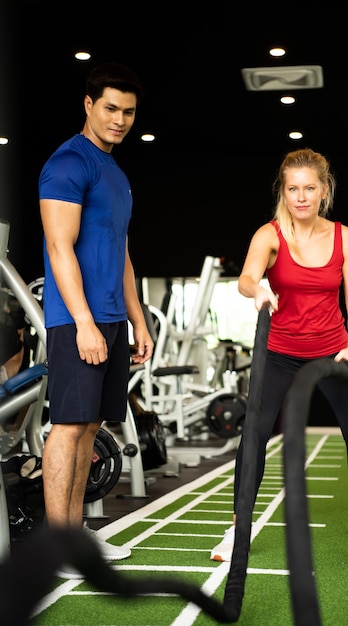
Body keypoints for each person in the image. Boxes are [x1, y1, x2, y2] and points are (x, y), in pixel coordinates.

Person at [210, 147, 348, 568]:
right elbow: (246, 278)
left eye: (310, 188)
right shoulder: (270, 234)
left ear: (324, 191)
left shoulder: (344, 236)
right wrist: (260, 290)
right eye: (294, 189)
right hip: (279, 352)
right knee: (253, 435)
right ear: (284, 192)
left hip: (332, 351)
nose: (302, 197)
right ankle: (239, 529)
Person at [39, 62, 154, 577]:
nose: (120, 119)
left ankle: (77, 535)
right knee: (67, 427)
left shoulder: (118, 173)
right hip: (76, 319)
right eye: (111, 108)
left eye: (129, 111)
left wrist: (138, 319)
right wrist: (83, 321)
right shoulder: (68, 164)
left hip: (110, 318)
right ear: (88, 105)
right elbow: (60, 249)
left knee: (90, 428)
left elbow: (122, 253)